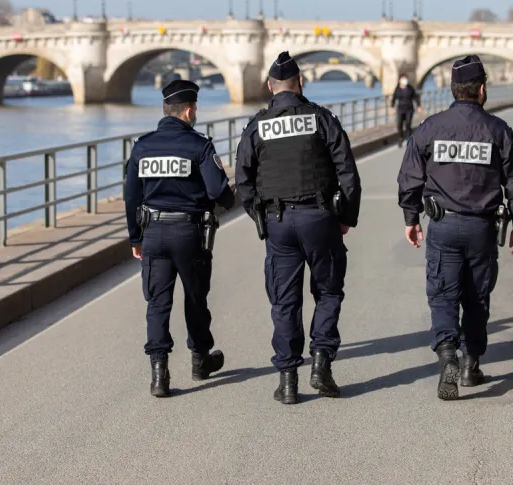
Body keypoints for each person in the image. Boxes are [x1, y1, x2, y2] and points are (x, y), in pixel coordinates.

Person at [396, 55, 513, 401]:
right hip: (482, 228)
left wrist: (411, 219)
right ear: (482, 89)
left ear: (453, 89)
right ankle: (471, 364)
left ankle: (447, 355)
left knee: (443, 295)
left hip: (442, 225)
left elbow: (409, 178)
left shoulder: (430, 128)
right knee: (477, 297)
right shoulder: (499, 131)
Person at [235, 51, 362, 404]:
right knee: (328, 292)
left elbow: (242, 181)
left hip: (277, 223)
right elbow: (348, 173)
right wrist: (345, 218)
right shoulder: (322, 119)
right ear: (300, 83)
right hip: (320, 218)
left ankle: (288, 381)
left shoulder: (257, 125)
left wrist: (259, 215)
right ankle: (321, 361)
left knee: (284, 301)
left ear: (270, 87)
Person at [124, 79, 235, 398]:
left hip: (154, 233)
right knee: (195, 298)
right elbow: (218, 191)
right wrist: (226, 201)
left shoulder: (142, 146)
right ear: (188, 111)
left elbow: (131, 196)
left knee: (157, 302)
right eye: (195, 109)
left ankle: (159, 374)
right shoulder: (199, 146)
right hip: (190, 233)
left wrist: (136, 238)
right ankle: (200, 360)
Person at [390, 74, 422, 146]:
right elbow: (394, 98)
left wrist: (418, 106)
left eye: (405, 79)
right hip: (400, 109)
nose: (404, 80)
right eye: (403, 79)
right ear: (399, 80)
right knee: (399, 125)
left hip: (409, 109)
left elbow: (416, 97)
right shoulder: (397, 89)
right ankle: (401, 138)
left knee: (408, 124)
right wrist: (392, 107)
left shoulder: (410, 88)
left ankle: (409, 139)